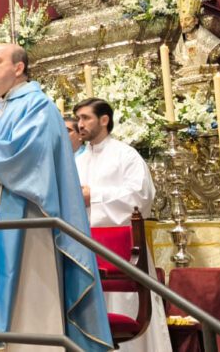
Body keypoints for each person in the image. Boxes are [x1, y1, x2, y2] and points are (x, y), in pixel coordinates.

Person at [0, 43, 111, 352]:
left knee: (25, 311)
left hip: (25, 228)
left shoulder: (37, 106)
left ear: (18, 68)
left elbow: (32, 159)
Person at [75, 98, 170, 352]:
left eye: (86, 118)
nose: (80, 124)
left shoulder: (125, 155)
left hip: (124, 251)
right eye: (78, 119)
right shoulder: (77, 161)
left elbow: (140, 197)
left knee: (125, 310)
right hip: (86, 248)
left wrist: (93, 196)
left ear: (104, 120)